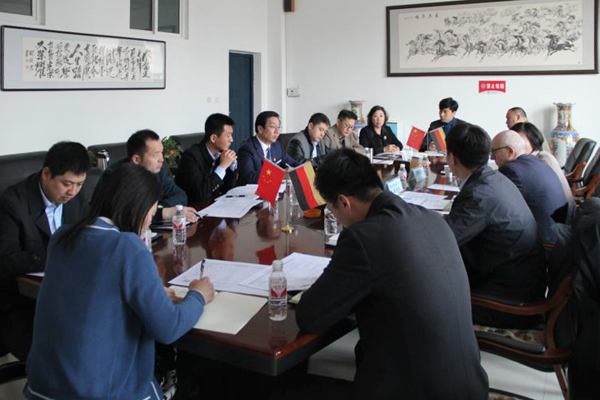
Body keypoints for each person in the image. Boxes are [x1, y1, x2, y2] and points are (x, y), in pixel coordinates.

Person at [296, 148, 489, 400]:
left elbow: (310, 317)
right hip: (470, 384)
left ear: (344, 202)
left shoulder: (362, 238)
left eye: (333, 210)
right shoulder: (432, 219)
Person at [24, 163, 215, 400]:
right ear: (137, 208)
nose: (147, 223)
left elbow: (94, 292)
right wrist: (198, 295)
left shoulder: (62, 236)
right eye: (150, 214)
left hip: (42, 388)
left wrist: (151, 294)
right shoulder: (127, 247)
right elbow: (168, 328)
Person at [445, 124, 546, 328]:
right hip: (518, 282)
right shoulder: (493, 178)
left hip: (508, 303)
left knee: (418, 296)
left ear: (452, 158)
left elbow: (443, 241)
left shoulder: (479, 194)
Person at [0, 141, 90, 361]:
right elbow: (7, 261)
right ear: (46, 174)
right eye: (67, 184)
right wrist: (59, 252)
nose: (73, 191)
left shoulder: (76, 201)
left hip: (68, 296)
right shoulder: (12, 203)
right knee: (70, 350)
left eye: (79, 184)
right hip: (23, 304)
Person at [100, 129, 197, 223]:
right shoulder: (114, 176)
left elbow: (179, 195)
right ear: (136, 159)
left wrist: (157, 209)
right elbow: (124, 215)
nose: (161, 159)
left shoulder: (158, 171)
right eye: (156, 154)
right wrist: (163, 213)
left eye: (161, 152)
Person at [491, 130, 567, 243]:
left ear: (510, 151)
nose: (492, 157)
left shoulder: (512, 171)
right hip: (560, 234)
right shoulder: (537, 162)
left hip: (546, 241)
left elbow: (496, 206)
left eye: (494, 151)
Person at [175, 113, 238, 202]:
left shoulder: (221, 154)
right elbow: (201, 194)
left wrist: (231, 166)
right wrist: (222, 166)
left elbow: (227, 190)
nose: (231, 140)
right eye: (228, 135)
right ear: (213, 138)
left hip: (213, 204)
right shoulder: (191, 157)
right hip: (192, 206)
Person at [512, 122, 575, 205]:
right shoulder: (537, 156)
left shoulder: (542, 160)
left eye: (521, 141)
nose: (516, 145)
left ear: (533, 140)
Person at [237, 111, 299, 185]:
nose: (277, 131)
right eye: (273, 127)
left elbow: (293, 163)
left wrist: (298, 169)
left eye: (279, 127)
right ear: (260, 129)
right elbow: (249, 176)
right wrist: (280, 175)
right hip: (252, 190)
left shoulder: (277, 146)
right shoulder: (247, 149)